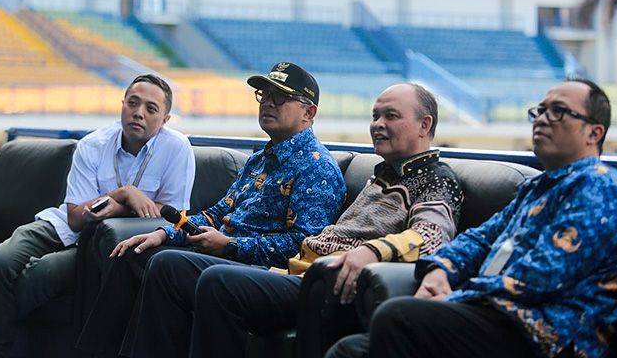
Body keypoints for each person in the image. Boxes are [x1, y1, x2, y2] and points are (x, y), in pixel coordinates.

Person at [122, 83, 464, 358]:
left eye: (390, 116)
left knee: (217, 281)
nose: (378, 124)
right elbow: (220, 210)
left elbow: (431, 236)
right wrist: (168, 233)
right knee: (166, 264)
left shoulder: (434, 178)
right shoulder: (383, 175)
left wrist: (372, 252)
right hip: (295, 271)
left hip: (321, 281)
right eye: (375, 116)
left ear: (425, 125)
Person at [327, 79, 617, 358]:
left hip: (547, 336)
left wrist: (457, 297)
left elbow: (544, 275)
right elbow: (478, 239)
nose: (542, 118)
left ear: (594, 132)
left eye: (558, 111)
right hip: (497, 316)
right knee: (349, 351)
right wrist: (440, 271)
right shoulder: (537, 188)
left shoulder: (597, 186)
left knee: (399, 317)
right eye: (540, 110)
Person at [75, 62, 346, 357]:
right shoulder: (259, 160)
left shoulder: (317, 168)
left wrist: (231, 246)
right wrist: (164, 234)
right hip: (224, 255)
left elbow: (302, 246)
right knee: (134, 252)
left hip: (260, 270)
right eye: (264, 94)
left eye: (280, 97)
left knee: (167, 266)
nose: (268, 102)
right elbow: (216, 214)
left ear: (309, 113)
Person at [0, 74, 196, 358]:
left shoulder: (177, 149)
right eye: (132, 103)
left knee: (44, 273)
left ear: (165, 119)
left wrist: (117, 206)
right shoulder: (93, 145)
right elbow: (75, 218)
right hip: (62, 227)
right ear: (122, 105)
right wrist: (124, 193)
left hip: (103, 245)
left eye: (150, 108)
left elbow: (169, 218)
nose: (138, 113)